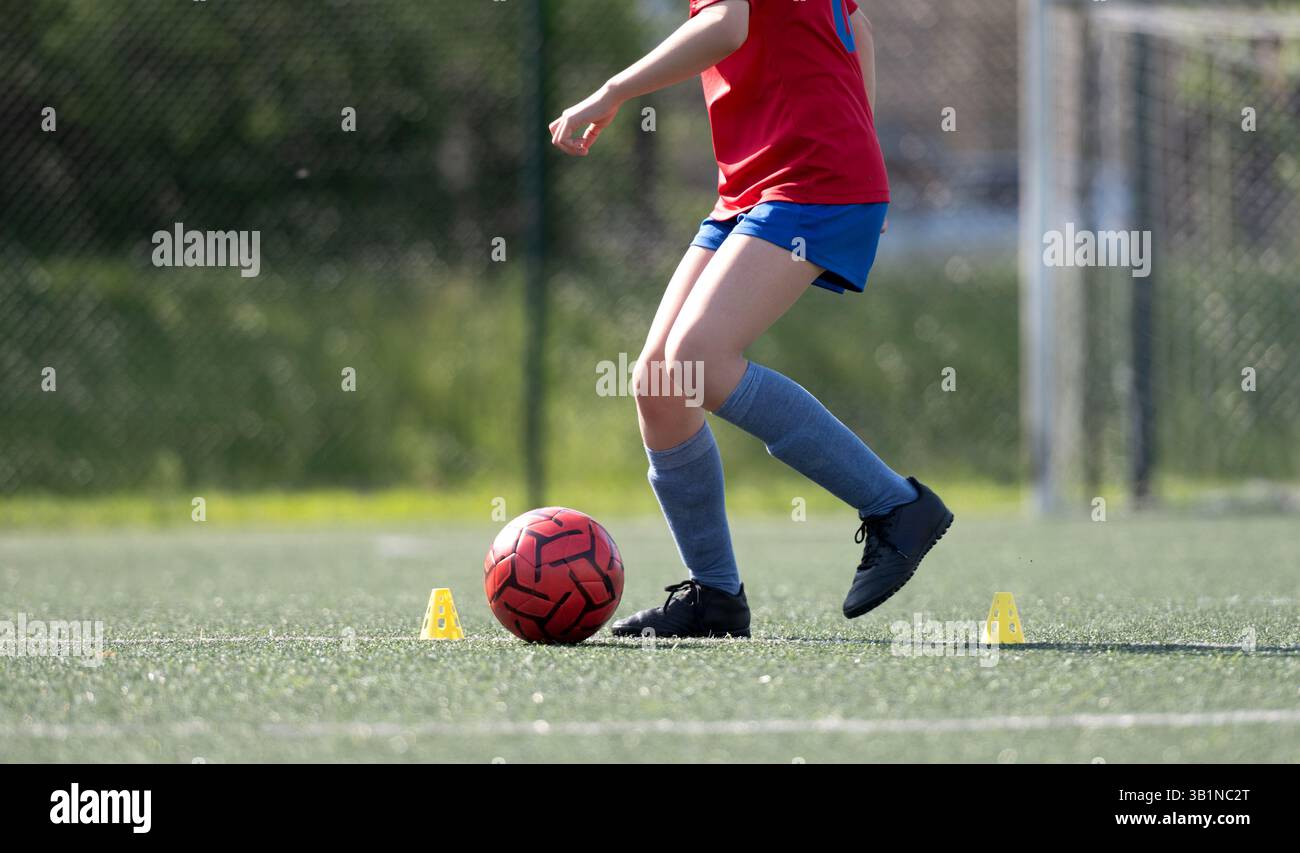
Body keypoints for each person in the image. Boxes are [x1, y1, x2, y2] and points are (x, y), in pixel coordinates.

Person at [549, 0, 952, 638]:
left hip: (814, 176)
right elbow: (857, 25)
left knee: (699, 363)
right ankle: (716, 599)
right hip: (758, 183)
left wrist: (612, 91)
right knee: (660, 384)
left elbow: (727, 24)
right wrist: (857, 136)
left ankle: (897, 507)